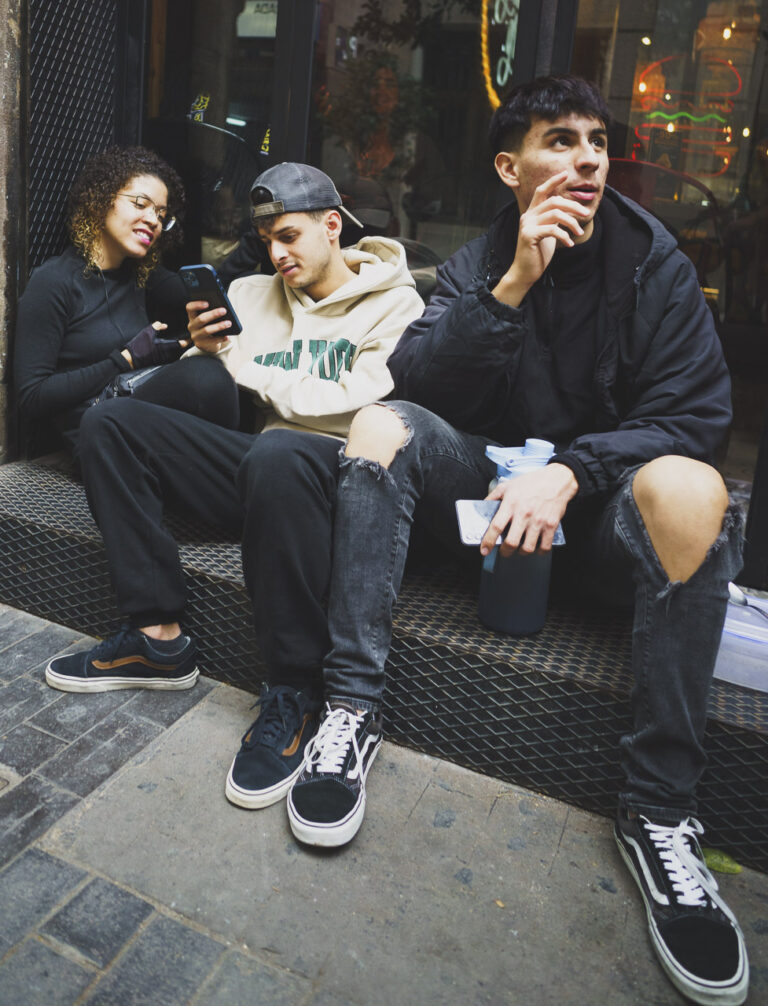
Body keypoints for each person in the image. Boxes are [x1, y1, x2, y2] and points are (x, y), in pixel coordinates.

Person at [311, 76, 749, 1004]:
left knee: (692, 486)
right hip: (491, 515)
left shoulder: (653, 262)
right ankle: (349, 711)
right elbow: (422, 384)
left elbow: (698, 415)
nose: (588, 157)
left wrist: (576, 472)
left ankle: (659, 809)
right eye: (561, 141)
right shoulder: (480, 262)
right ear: (512, 168)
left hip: (598, 529)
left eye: (596, 141)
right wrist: (513, 284)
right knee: (382, 425)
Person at [43, 162, 424, 815]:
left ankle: (294, 692)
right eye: (268, 239)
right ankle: (156, 634)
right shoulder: (249, 293)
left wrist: (248, 369)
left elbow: (368, 400)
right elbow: (208, 387)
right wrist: (201, 350)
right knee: (110, 422)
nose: (278, 254)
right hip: (260, 469)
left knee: (279, 450)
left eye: (292, 236)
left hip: (335, 482)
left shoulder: (399, 303)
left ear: (333, 227)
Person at [14, 146, 238, 457]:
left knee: (216, 374)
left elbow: (217, 292)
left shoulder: (142, 276)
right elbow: (32, 397)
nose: (153, 220)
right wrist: (124, 360)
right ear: (100, 199)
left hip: (136, 415)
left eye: (161, 214)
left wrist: (259, 240)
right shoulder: (53, 282)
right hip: (95, 431)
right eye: (141, 204)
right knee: (204, 378)